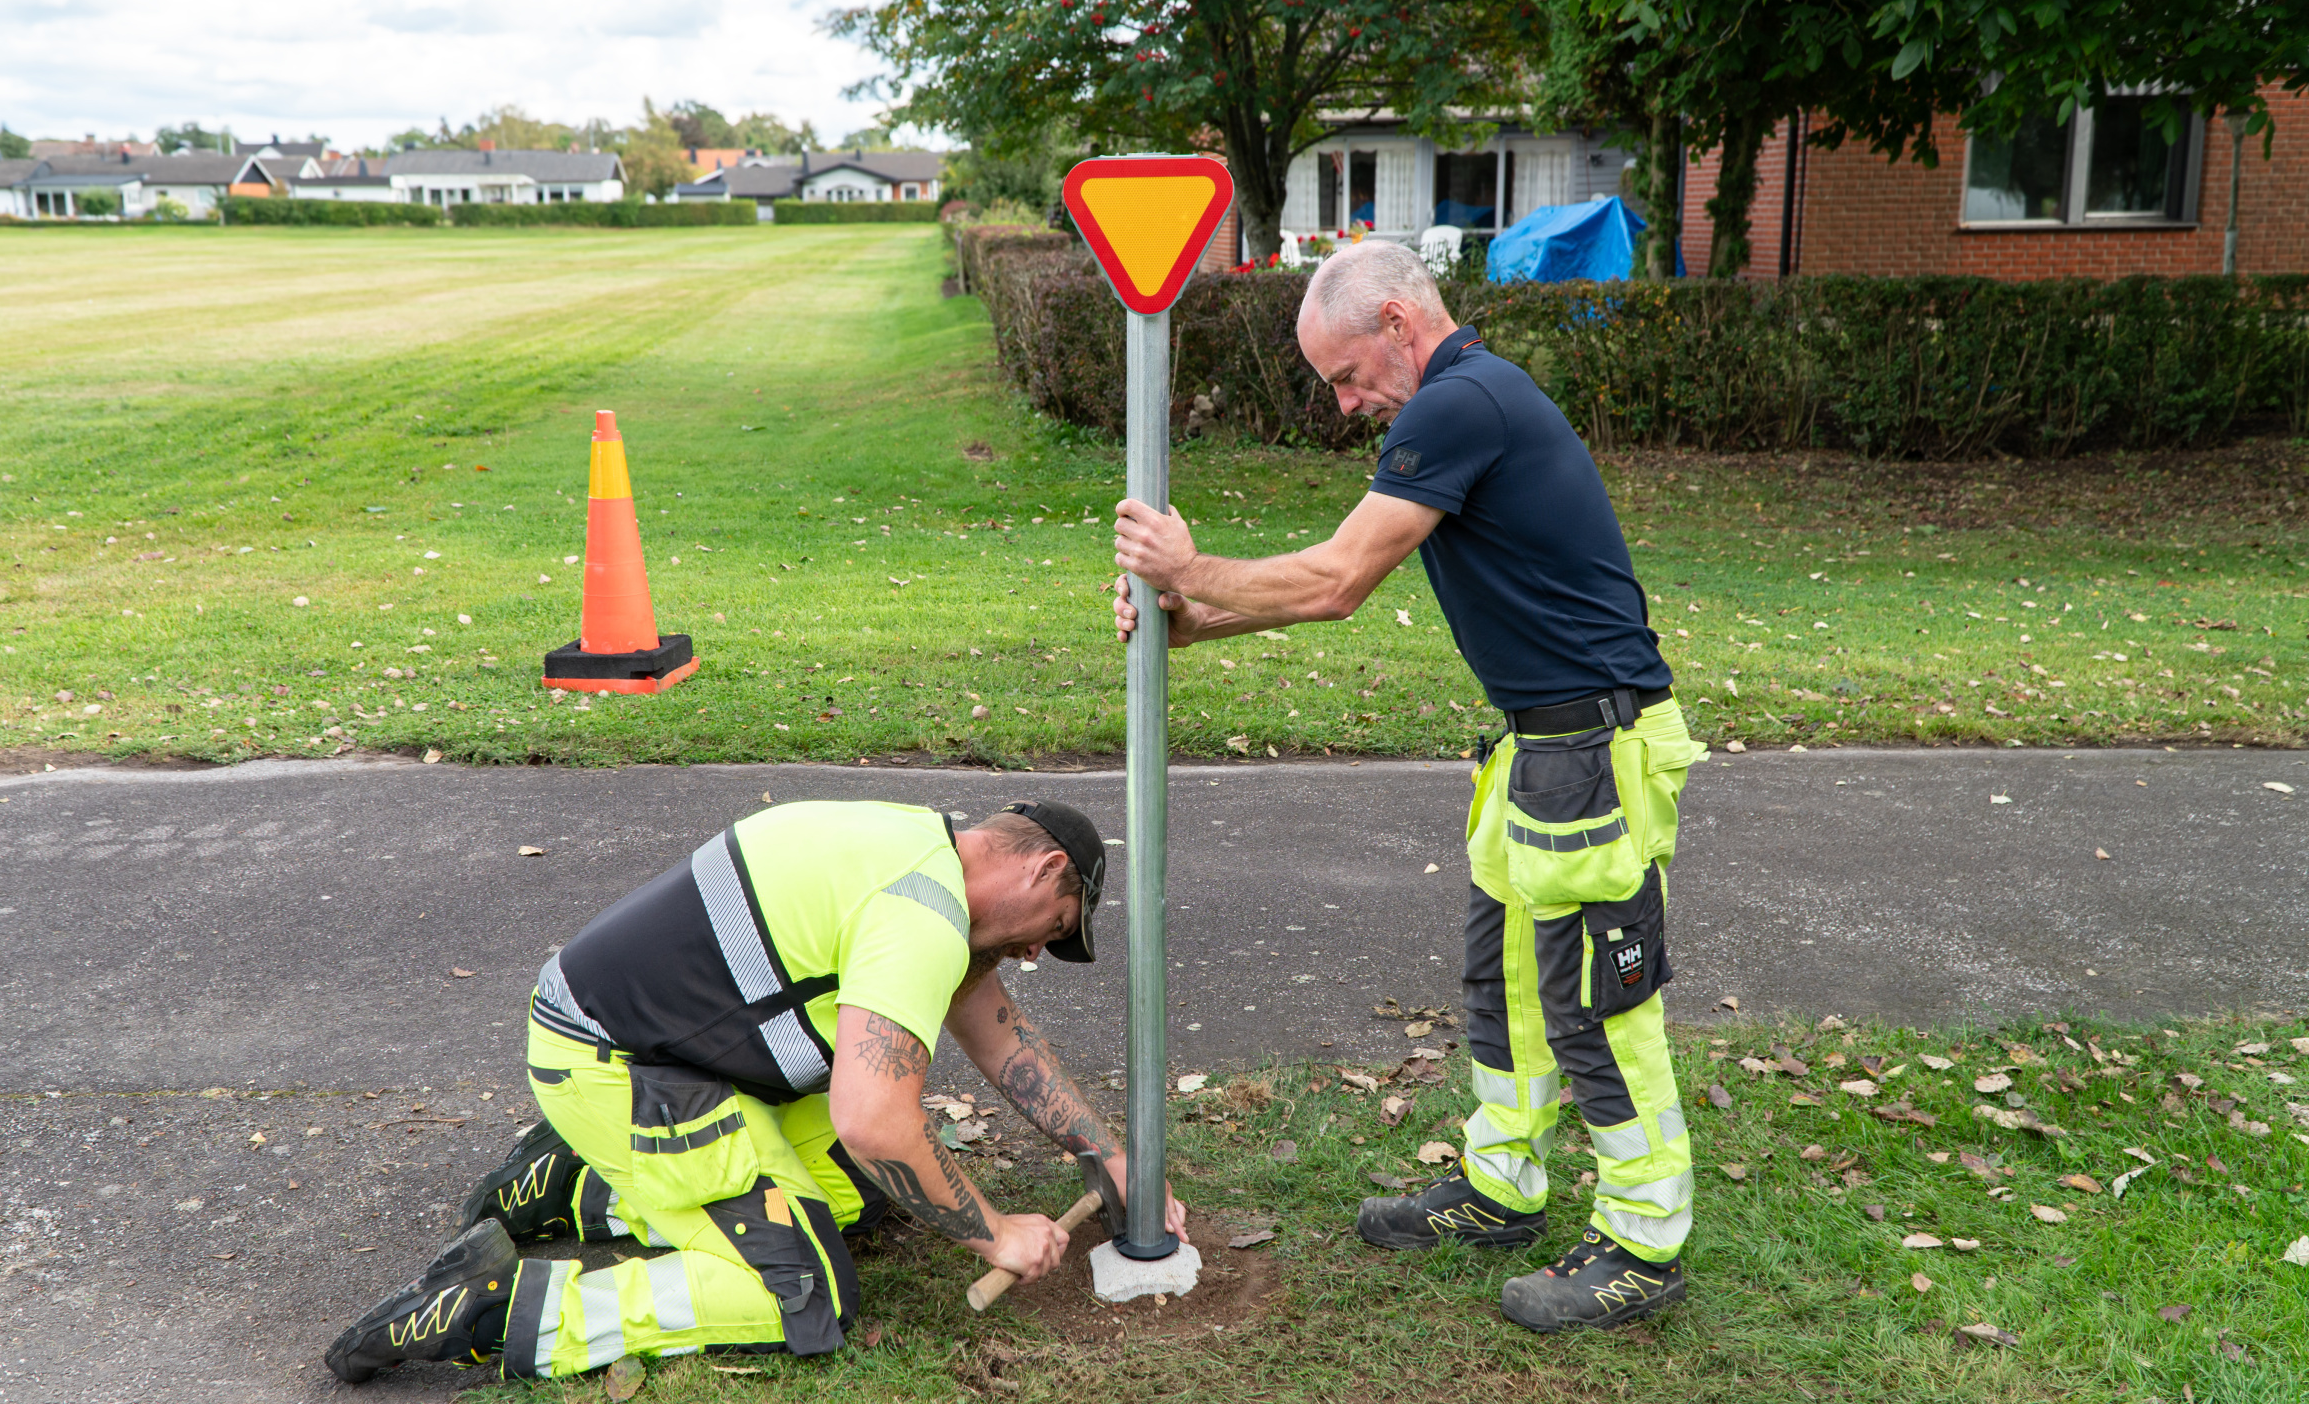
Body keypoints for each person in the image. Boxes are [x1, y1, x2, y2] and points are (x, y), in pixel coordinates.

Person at [1110, 240, 1702, 1333]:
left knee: (1598, 1013)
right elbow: (1343, 589)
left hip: (1593, 753)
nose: (1343, 406)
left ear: (1395, 323)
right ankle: (1500, 1191)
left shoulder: (1459, 403)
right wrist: (1194, 626)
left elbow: (1336, 576)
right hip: (1537, 752)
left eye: (1345, 376)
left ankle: (1642, 1244)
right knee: (1506, 990)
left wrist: (1188, 573)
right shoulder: (1464, 406)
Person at [325, 798, 1184, 1384]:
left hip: (642, 1051)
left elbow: (997, 1033)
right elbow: (878, 1124)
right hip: (621, 1071)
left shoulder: (916, 849)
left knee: (867, 1189)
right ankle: (495, 1311)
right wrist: (997, 1234)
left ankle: (575, 1188)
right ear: (1044, 872)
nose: (1036, 955)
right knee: (802, 1292)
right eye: (1057, 931)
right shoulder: (922, 915)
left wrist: (1108, 1158)